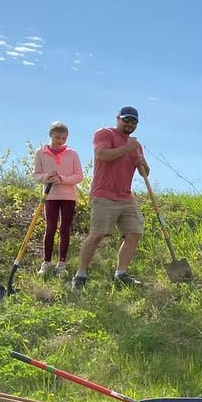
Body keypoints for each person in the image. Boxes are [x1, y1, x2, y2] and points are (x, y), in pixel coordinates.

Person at [71, 106, 149, 290]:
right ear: (118, 119)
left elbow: (145, 172)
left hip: (126, 196)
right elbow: (102, 154)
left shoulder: (135, 145)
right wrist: (125, 148)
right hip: (103, 194)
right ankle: (80, 275)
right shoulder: (104, 134)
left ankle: (121, 274)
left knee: (134, 232)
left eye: (134, 122)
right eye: (126, 120)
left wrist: (142, 163)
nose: (130, 124)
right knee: (97, 234)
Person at [33, 121, 84, 279]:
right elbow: (36, 175)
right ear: (50, 135)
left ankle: (61, 264)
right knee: (50, 228)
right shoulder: (40, 153)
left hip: (68, 196)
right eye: (57, 138)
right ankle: (46, 262)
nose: (60, 141)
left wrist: (61, 179)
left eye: (63, 138)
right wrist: (46, 177)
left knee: (64, 230)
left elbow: (78, 176)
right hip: (50, 196)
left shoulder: (72, 153)